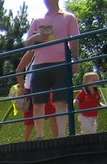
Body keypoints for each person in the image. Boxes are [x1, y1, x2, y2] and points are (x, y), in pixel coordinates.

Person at [25, 0, 80, 140]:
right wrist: (36, 37)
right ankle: (40, 136)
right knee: (38, 102)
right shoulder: (38, 20)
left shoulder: (68, 17)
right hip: (40, 64)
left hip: (61, 63)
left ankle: (61, 135)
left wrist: (76, 60)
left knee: (61, 100)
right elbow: (27, 43)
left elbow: (74, 41)